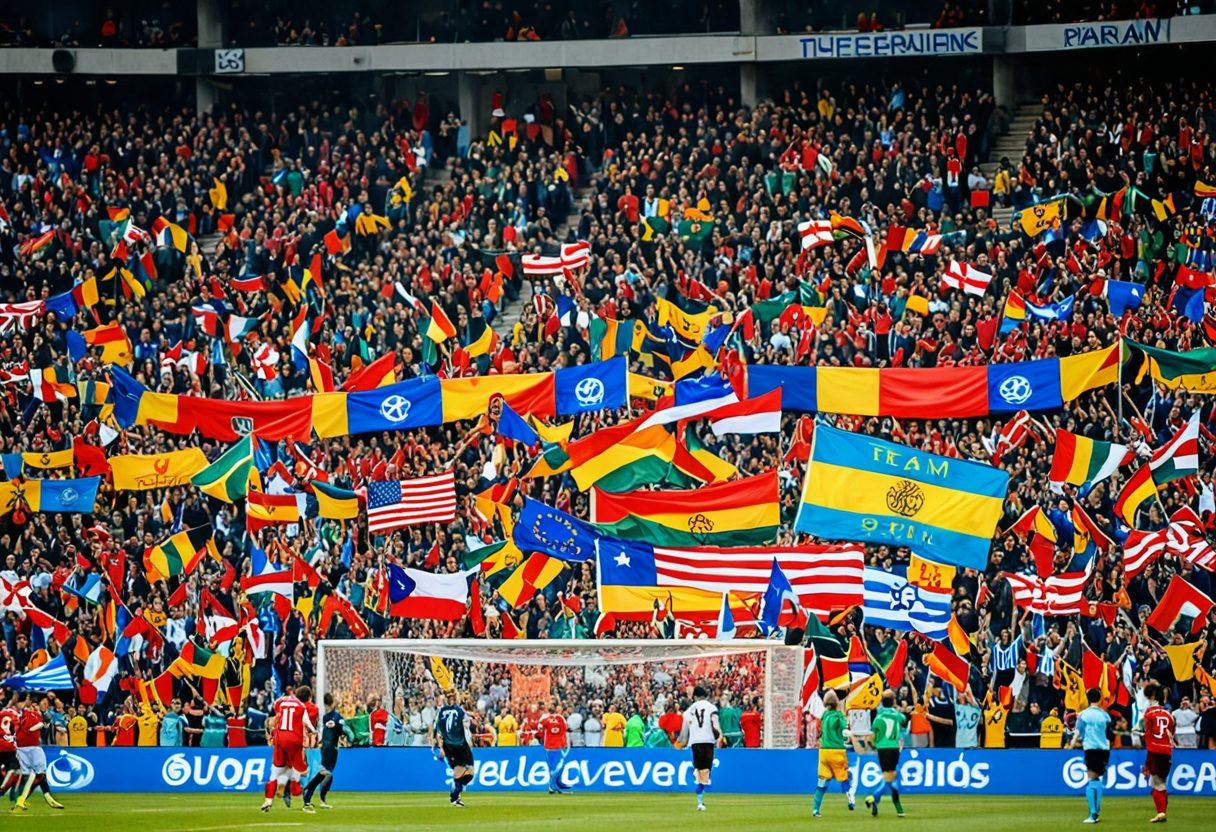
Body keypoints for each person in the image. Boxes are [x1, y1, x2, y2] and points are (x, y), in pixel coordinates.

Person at [261, 686, 315, 813]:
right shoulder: (302, 707)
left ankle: (268, 800)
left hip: (280, 740)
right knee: (302, 770)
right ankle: (300, 795)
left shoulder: (282, 701)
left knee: (275, 772)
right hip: (295, 740)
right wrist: (314, 732)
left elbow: (275, 707)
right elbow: (308, 723)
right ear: (308, 698)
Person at [12, 694, 63, 811]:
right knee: (33, 775)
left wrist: (45, 724)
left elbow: (41, 733)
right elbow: (29, 728)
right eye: (43, 702)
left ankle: (42, 798)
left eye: (47, 703)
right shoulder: (28, 713)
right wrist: (42, 724)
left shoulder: (41, 716)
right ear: (36, 703)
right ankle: (22, 800)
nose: (45, 704)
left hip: (32, 747)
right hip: (24, 748)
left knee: (39, 775)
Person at [677, 685, 722, 812]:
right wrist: (719, 737)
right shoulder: (712, 707)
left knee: (700, 768)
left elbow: (684, 731)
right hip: (708, 741)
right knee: (706, 770)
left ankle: (700, 800)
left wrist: (681, 742)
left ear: (695, 697)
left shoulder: (688, 711)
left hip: (695, 742)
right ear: (705, 696)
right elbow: (716, 724)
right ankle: (700, 796)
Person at [1071, 688, 1111, 824]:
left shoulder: (1083, 715)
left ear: (1088, 698)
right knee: (1097, 779)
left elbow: (1078, 732)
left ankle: (1093, 813)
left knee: (1091, 779)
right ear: (1099, 698)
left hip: (1091, 748)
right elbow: (1108, 733)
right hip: (1104, 750)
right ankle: (1096, 812)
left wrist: (1073, 743)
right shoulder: (1105, 715)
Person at [812, 690, 853, 817]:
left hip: (824, 752)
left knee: (822, 782)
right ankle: (851, 800)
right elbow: (845, 730)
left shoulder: (825, 715)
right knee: (845, 777)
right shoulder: (839, 716)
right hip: (836, 751)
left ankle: (816, 810)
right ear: (836, 703)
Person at [865, 690, 907, 817]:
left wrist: (874, 746)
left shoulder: (878, 717)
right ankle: (874, 797)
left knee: (890, 777)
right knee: (891, 778)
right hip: (894, 748)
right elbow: (904, 720)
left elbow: (871, 736)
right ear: (893, 702)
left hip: (882, 750)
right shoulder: (897, 715)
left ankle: (883, 805)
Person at [1139, 681, 1175, 824]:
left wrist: (1147, 763)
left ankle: (1161, 813)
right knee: (1162, 783)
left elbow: (1148, 734)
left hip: (1155, 750)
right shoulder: (1169, 715)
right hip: (1167, 751)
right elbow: (1171, 735)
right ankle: (1162, 812)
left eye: (1148, 697)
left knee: (1156, 783)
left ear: (1152, 697)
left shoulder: (1148, 714)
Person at [303, 693, 345, 813]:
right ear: (333, 703)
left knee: (323, 774)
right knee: (328, 774)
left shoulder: (326, 717)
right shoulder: (338, 718)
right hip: (332, 749)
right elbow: (342, 731)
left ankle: (308, 794)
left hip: (325, 748)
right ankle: (320, 799)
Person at [431, 692, 475, 807]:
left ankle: (455, 794)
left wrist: (440, 746)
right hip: (460, 745)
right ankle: (455, 796)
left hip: (448, 746)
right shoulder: (459, 710)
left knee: (459, 770)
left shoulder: (441, 712)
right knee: (469, 773)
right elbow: (467, 724)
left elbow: (437, 730)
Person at [538, 697, 572, 794]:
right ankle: (552, 786)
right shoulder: (552, 718)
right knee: (555, 767)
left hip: (557, 746)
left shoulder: (550, 718)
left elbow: (540, 728)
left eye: (552, 704)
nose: (551, 706)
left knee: (559, 766)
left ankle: (557, 784)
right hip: (550, 746)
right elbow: (566, 728)